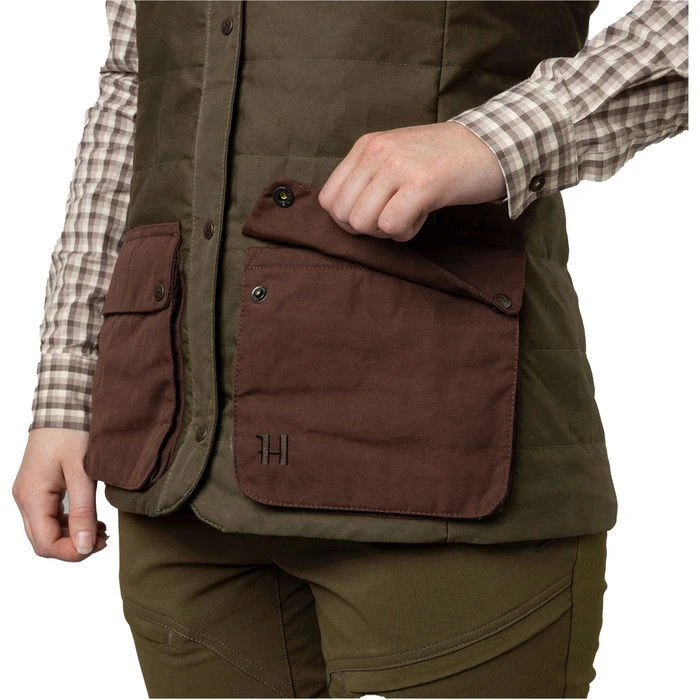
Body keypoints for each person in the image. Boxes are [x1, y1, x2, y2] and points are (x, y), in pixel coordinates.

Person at [12, 1, 687, 697]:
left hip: (444, 464)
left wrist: (499, 137)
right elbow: (136, 81)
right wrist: (70, 384)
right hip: (178, 477)